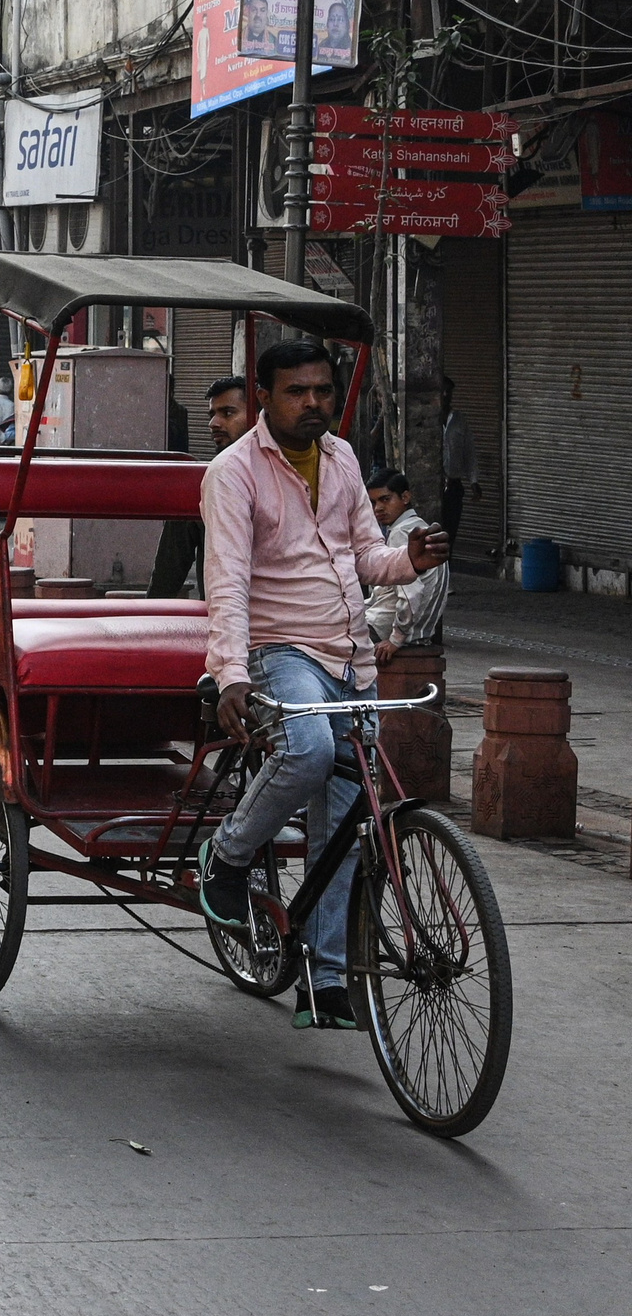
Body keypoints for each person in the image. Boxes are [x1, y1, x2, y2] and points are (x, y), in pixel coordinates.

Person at [197, 340, 447, 1031]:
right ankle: (228, 853)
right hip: (280, 650)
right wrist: (231, 675)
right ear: (265, 396)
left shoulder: (340, 458)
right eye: (296, 391)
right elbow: (227, 584)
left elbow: (364, 553)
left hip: (351, 656)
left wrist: (407, 561)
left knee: (346, 817)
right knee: (306, 751)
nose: (312, 403)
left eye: (322, 391)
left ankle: (325, 979)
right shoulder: (234, 472)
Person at [148, 375, 255, 598]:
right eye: (212, 414)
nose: (214, 423)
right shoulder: (202, 483)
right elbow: (167, 575)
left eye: (228, 413)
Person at [364, 468, 449, 665]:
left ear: (405, 497)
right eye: (374, 502)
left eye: (385, 499)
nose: (378, 508)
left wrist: (395, 639)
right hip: (418, 630)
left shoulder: (404, 534)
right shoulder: (416, 527)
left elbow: (411, 593)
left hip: (387, 627)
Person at [441, 376, 475, 547]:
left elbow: (469, 451)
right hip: (434, 486)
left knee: (450, 533)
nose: (446, 395)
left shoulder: (459, 419)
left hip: (454, 485)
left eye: (449, 392)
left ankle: (447, 569)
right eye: (442, 391)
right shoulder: (425, 419)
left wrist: (473, 481)